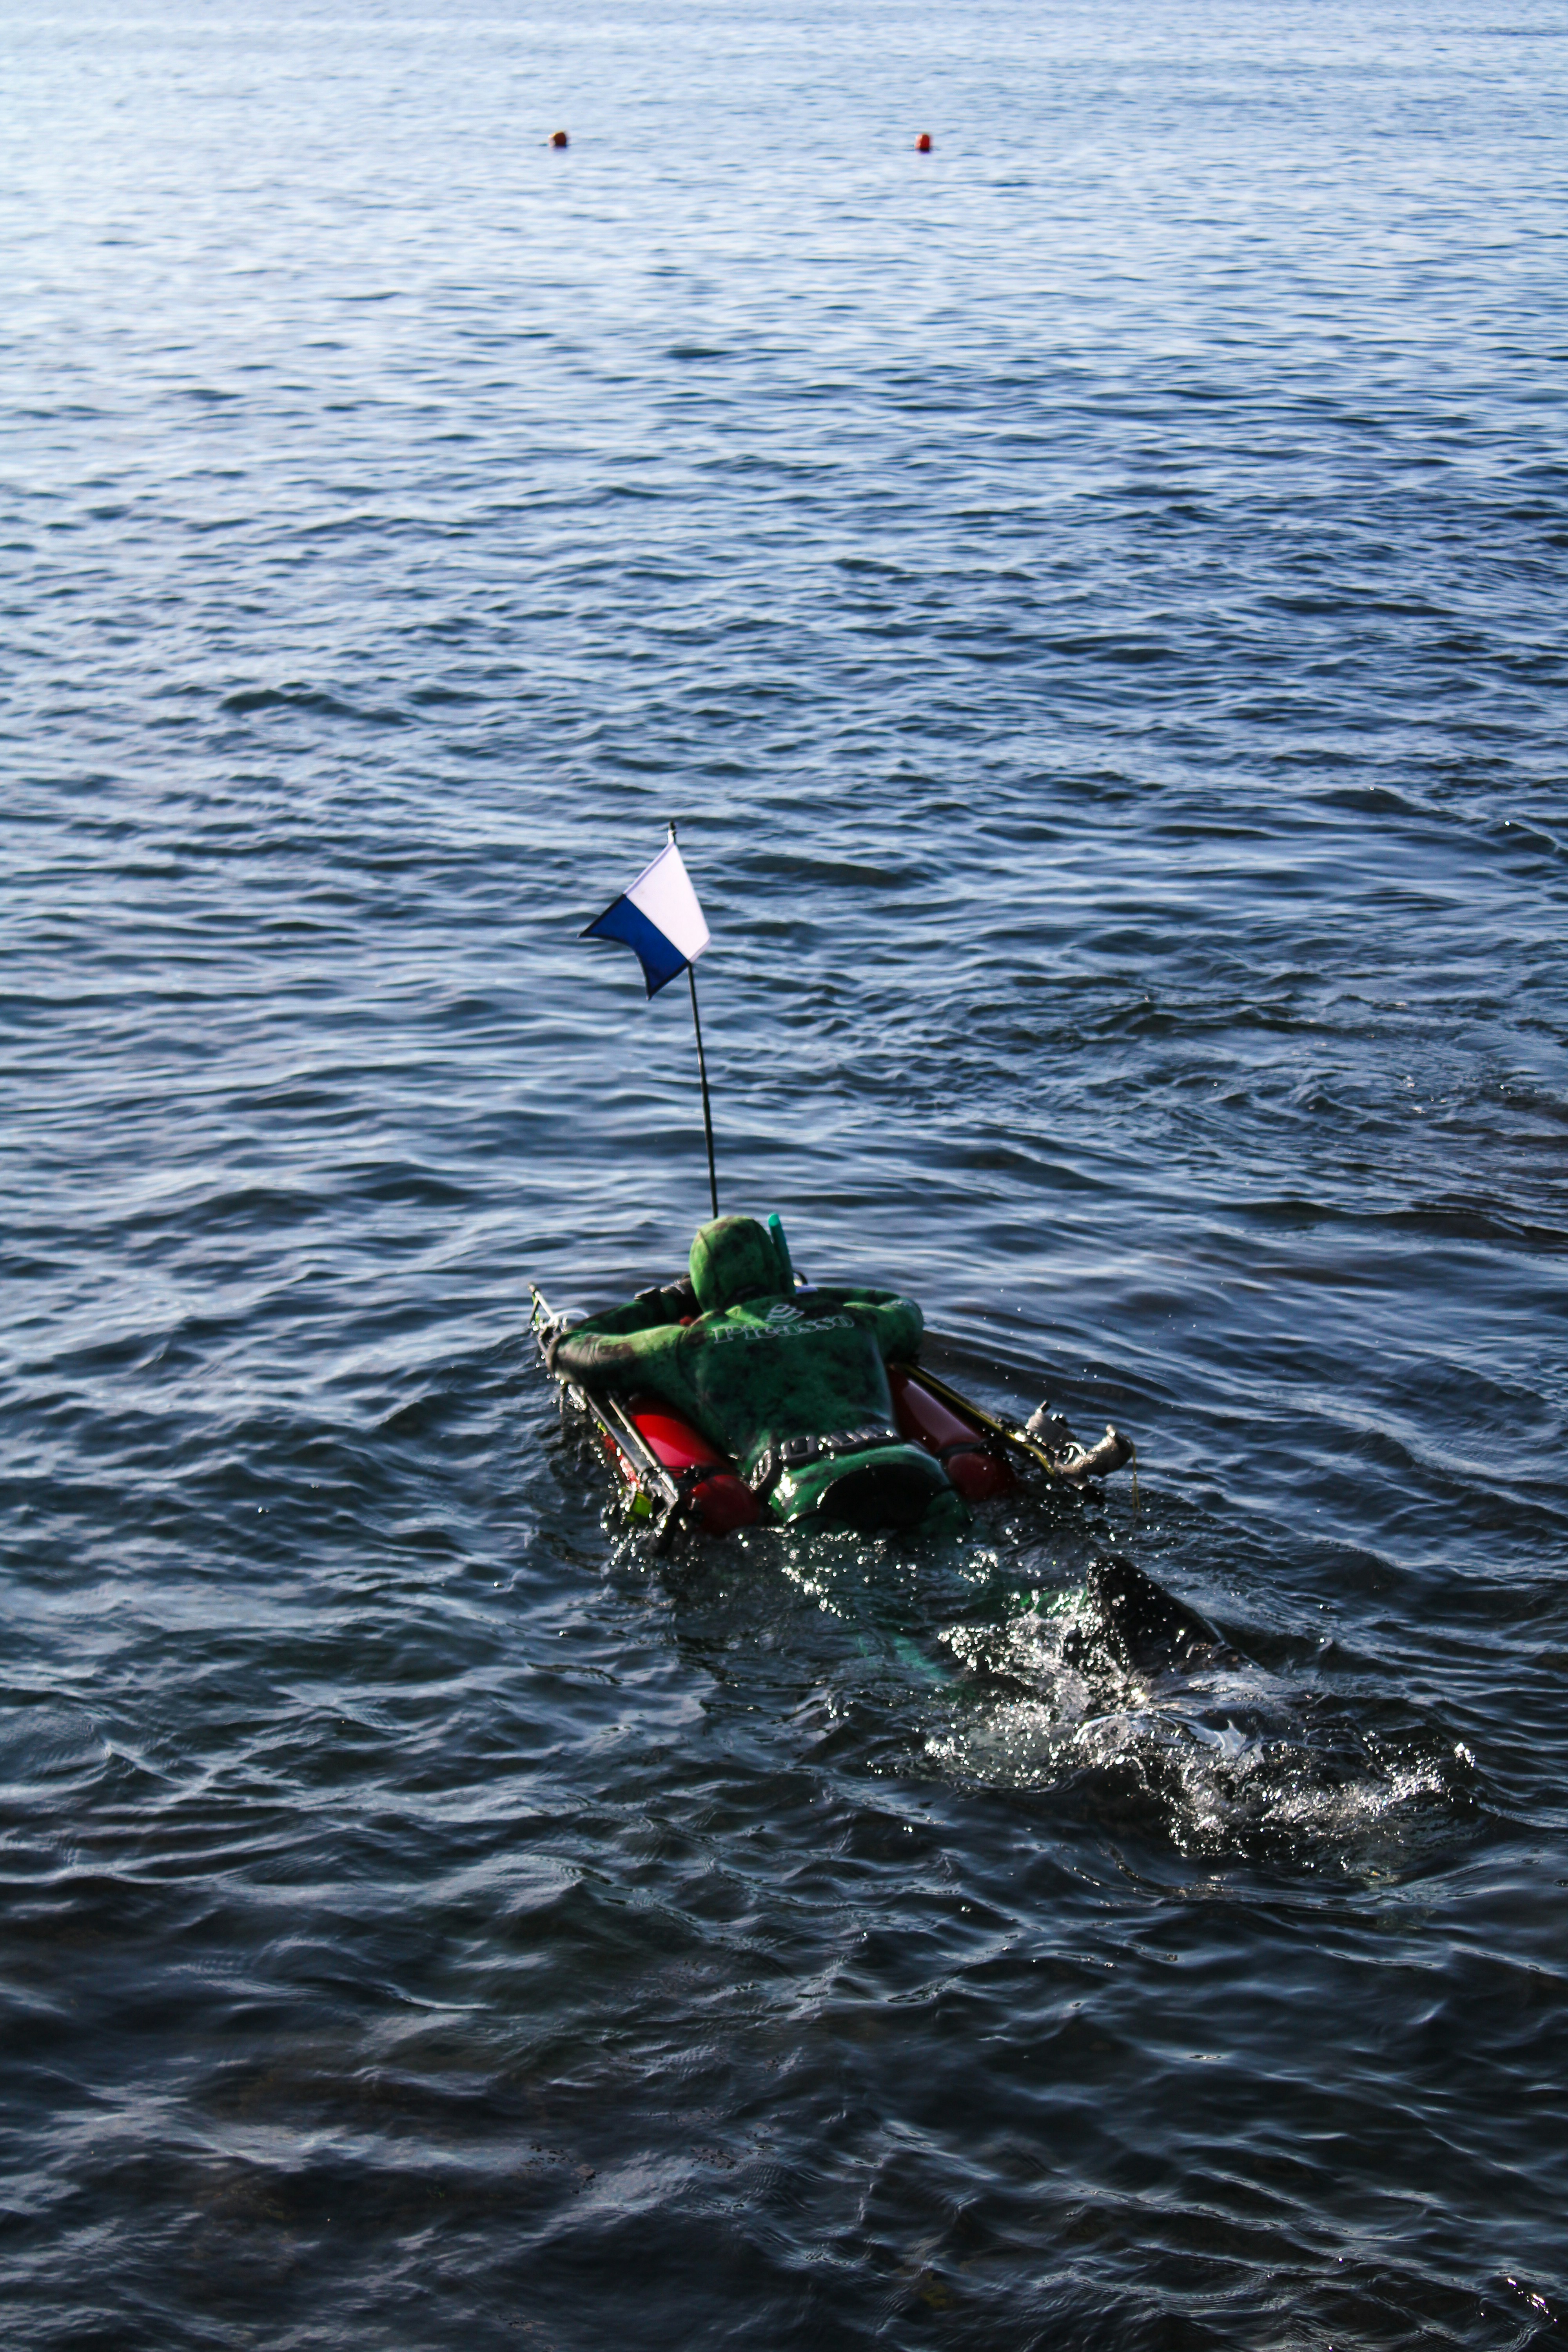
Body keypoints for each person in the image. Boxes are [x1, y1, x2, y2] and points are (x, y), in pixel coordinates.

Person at [548, 1214, 960, 1529]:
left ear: (703, 1285)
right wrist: (796, 1294)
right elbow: (904, 1307)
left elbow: (569, 1348)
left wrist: (668, 1304)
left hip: (808, 1493)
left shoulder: (685, 1345)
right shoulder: (854, 1321)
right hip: (915, 1470)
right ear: (777, 1267)